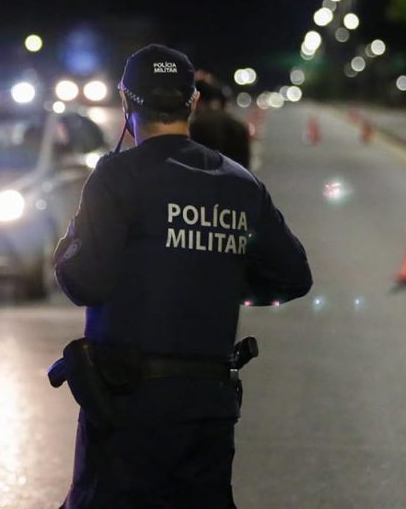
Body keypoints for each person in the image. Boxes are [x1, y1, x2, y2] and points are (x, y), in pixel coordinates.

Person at [53, 44, 312, 508]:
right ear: (191, 102)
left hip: (125, 409)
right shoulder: (239, 183)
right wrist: (218, 279)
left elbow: (83, 281)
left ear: (126, 103)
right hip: (208, 410)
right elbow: (292, 276)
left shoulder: (117, 177)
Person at [188, 76, 252, 170]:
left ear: (199, 102)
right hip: (233, 180)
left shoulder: (196, 126)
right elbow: (245, 163)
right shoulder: (238, 125)